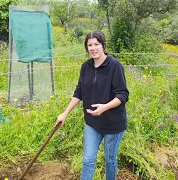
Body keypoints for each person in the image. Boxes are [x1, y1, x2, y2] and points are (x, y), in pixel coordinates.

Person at [54, 30, 129, 180]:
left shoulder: (115, 66)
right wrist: (65, 113)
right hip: (92, 122)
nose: (93, 48)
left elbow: (123, 95)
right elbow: (79, 92)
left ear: (103, 45)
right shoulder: (86, 67)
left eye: (96, 44)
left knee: (110, 161)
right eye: (90, 45)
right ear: (86, 47)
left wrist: (104, 107)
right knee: (88, 160)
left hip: (113, 124)